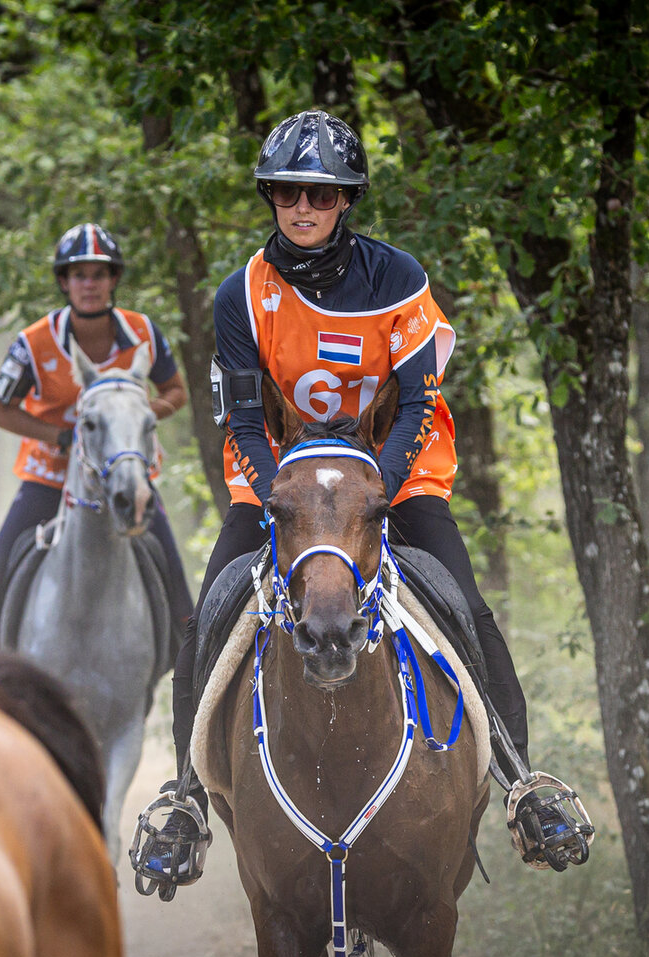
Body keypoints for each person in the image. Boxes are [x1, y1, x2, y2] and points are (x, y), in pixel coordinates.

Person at [140, 109, 583, 877]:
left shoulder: (398, 278)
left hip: (393, 474)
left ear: (346, 202)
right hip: (283, 483)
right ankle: (184, 796)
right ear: (272, 200)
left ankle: (522, 780)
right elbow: (245, 415)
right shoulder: (239, 294)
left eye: (320, 195)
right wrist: (279, 484)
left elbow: (416, 399)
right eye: (288, 195)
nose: (303, 210)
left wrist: (376, 480)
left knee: (462, 603)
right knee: (209, 609)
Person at [0, 222, 193, 647]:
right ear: (64, 282)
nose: (89, 284)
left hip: (128, 477)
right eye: (79, 275)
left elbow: (176, 391)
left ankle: (188, 688)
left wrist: (138, 416)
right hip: (50, 478)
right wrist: (61, 437)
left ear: (114, 280)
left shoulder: (143, 332)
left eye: (99, 274)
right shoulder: (32, 343)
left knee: (179, 592)